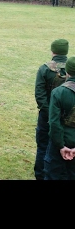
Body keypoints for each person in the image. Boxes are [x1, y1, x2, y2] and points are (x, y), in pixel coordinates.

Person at [34, 38, 69, 180]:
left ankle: (41, 174)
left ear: (53, 51)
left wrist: (49, 112)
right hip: (68, 117)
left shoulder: (45, 69)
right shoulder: (71, 68)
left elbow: (40, 94)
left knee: (42, 145)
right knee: (63, 146)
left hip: (46, 114)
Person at [45, 56, 75, 179]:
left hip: (60, 142)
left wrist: (61, 146)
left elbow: (54, 123)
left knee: (53, 174)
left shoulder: (59, 92)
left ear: (67, 71)